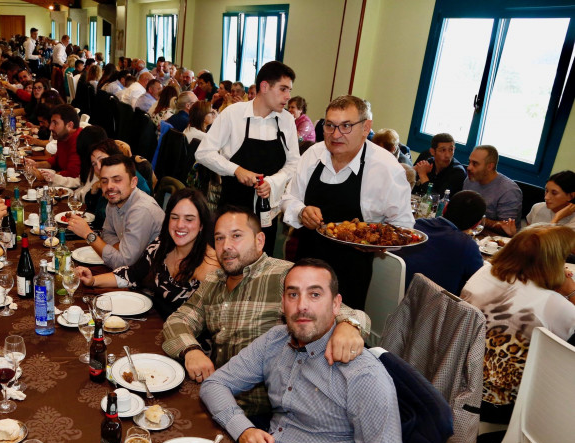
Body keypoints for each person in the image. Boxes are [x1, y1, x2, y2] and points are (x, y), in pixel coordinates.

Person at [200, 258, 404, 443]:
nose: (302, 306)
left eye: (315, 294)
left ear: (337, 305)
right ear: (283, 303)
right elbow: (214, 385)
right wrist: (243, 429)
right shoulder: (277, 340)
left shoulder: (363, 376)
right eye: (293, 294)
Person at [162, 208, 370, 424]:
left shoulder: (284, 276)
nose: (226, 246)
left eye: (236, 236)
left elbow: (350, 313)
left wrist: (349, 325)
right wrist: (191, 350)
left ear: (259, 240)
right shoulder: (214, 280)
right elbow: (178, 320)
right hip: (217, 396)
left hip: (266, 417)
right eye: (219, 238)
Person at [281, 95, 414, 308]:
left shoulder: (386, 168)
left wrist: (376, 243)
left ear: (365, 127)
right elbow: (288, 198)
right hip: (307, 263)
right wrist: (301, 211)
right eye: (330, 126)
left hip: (350, 274)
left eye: (346, 126)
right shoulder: (313, 154)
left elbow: (403, 226)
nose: (336, 134)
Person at [461, 225, 575, 423]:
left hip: (455, 374)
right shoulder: (553, 304)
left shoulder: (485, 272)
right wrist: (570, 291)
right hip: (497, 400)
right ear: (553, 262)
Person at [196, 60, 300, 255]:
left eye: (290, 90)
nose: (288, 97)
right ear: (264, 86)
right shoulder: (233, 114)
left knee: (260, 267)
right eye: (283, 89)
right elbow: (203, 153)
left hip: (265, 213)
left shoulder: (286, 121)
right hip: (232, 210)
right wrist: (235, 170)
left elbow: (294, 163)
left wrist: (273, 182)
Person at [76, 188, 220, 319]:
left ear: (201, 225)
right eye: (174, 217)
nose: (180, 225)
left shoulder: (209, 269)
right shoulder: (162, 245)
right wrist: (93, 281)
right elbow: (132, 275)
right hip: (153, 324)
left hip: (181, 340)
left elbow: (201, 323)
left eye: (189, 219)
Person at [67, 155, 164, 269]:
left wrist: (88, 234)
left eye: (117, 180)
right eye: (104, 181)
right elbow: (107, 233)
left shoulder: (142, 210)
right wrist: (119, 247)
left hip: (151, 277)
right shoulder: (114, 200)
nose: (109, 186)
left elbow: (124, 264)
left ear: (133, 182)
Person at [392, 190, 486, 296]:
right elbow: (477, 284)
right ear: (476, 224)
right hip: (428, 307)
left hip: (389, 294)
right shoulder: (468, 246)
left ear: (445, 208)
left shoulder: (415, 226)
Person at [463, 145, 523, 235]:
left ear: (490, 166)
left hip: (495, 240)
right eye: (469, 162)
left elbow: (506, 229)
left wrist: (478, 219)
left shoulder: (509, 191)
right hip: (471, 232)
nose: (469, 167)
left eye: (475, 164)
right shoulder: (470, 180)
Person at [28, 103, 82, 179]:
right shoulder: (63, 136)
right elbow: (56, 160)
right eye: (51, 123)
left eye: (55, 123)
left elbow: (72, 174)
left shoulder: (79, 140)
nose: (50, 127)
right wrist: (36, 164)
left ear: (70, 125)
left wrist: (43, 176)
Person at [412, 133, 466, 197]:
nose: (447, 155)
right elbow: (412, 190)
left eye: (451, 150)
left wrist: (423, 175)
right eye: (443, 150)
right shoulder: (429, 162)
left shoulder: (458, 172)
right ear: (432, 152)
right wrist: (412, 172)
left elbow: (438, 200)